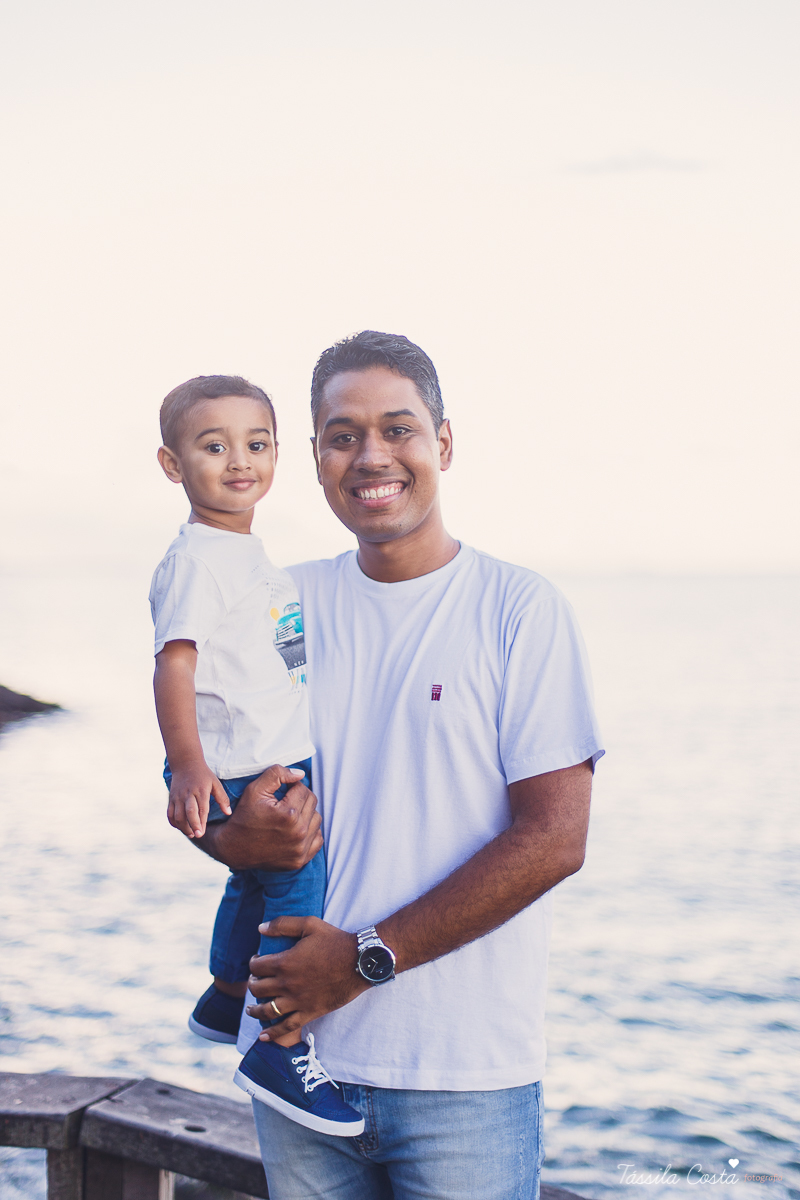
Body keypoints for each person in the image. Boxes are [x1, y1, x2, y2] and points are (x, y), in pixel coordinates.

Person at [195, 332, 605, 1200]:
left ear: (443, 443)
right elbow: (208, 787)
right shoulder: (276, 604)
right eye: (343, 436)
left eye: (399, 429)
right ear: (315, 458)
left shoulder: (520, 610)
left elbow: (555, 840)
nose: (372, 456)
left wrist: (363, 960)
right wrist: (230, 840)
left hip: (464, 1075)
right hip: (292, 1063)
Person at [149, 373, 364, 1136]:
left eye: (257, 443)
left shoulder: (241, 552)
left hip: (259, 751)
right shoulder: (199, 559)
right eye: (214, 447)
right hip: (243, 762)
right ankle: (280, 1041)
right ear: (173, 464)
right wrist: (189, 765)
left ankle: (226, 993)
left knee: (252, 879)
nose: (240, 460)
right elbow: (174, 665)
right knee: (299, 886)